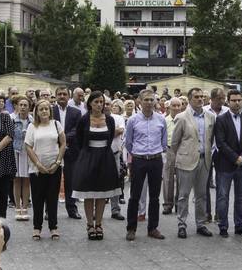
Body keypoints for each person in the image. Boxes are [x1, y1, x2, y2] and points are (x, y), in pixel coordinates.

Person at [72, 91, 121, 240]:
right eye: (96, 102)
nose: (99, 105)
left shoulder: (110, 120)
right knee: (89, 193)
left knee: (102, 193)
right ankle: (89, 224)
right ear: (90, 104)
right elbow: (79, 139)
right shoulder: (84, 119)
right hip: (88, 157)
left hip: (105, 158)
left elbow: (111, 136)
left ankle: (98, 224)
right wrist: (85, 155)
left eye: (102, 102)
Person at [122, 89, 168, 241]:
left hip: (155, 159)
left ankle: (153, 228)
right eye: (146, 100)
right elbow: (128, 142)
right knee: (135, 195)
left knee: (155, 196)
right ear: (140, 102)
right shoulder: (133, 120)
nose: (149, 103)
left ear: (155, 101)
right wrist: (137, 154)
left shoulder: (161, 120)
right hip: (139, 159)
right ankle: (131, 228)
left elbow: (163, 141)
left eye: (151, 100)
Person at [171, 88, 215, 239]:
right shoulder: (182, 117)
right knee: (183, 195)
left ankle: (201, 224)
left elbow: (211, 139)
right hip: (186, 160)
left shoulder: (210, 116)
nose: (200, 99)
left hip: (204, 160)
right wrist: (180, 158)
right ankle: (182, 224)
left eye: (202, 97)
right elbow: (175, 142)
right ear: (189, 99)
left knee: (202, 195)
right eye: (196, 97)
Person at [213, 90, 242, 237]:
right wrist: (234, 157)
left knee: (241, 196)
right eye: (233, 100)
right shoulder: (221, 119)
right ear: (228, 102)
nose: (237, 103)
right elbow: (221, 142)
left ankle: (240, 225)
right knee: (223, 196)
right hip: (225, 164)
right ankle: (223, 226)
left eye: (239, 100)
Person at [25, 98, 65, 239]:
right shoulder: (32, 126)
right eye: (41, 109)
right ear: (36, 111)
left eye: (46, 109)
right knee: (37, 198)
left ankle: (53, 227)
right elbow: (28, 147)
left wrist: (57, 162)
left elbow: (63, 143)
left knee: (52, 198)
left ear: (50, 111)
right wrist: (38, 165)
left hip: (55, 167)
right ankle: (37, 228)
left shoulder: (56, 124)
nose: (44, 111)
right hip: (37, 169)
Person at [52, 87, 83, 220]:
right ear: (56, 96)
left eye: (64, 94)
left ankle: (72, 209)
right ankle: (50, 211)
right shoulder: (50, 111)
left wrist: (63, 137)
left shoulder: (76, 112)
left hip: (71, 150)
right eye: (59, 94)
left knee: (70, 181)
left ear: (69, 96)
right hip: (53, 149)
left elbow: (78, 129)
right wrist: (59, 139)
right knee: (52, 181)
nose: (62, 96)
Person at [10, 97, 32, 222]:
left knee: (27, 179)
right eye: (21, 105)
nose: (23, 107)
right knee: (17, 179)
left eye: (25, 105)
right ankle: (17, 207)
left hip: (28, 151)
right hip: (16, 150)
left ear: (29, 107)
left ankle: (25, 207)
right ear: (17, 106)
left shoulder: (32, 120)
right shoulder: (12, 119)